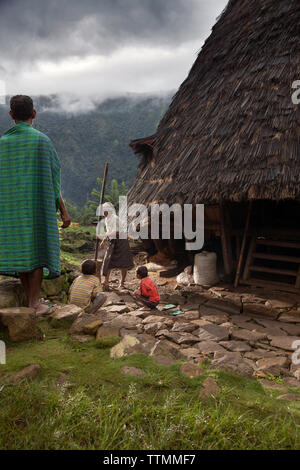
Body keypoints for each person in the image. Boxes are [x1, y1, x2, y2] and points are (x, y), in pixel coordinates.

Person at [0, 95, 71, 316]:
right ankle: (34, 303)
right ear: (34, 113)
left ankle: (30, 304)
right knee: (38, 249)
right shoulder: (42, 142)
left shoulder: (2, 145)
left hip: (10, 211)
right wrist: (63, 211)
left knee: (22, 250)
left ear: (11, 115)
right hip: (36, 208)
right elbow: (52, 180)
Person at [99, 202, 134, 290]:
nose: (102, 212)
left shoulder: (114, 218)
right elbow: (109, 232)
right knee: (108, 261)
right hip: (113, 241)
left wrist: (103, 236)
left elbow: (117, 232)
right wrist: (103, 241)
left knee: (124, 262)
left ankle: (122, 283)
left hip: (121, 241)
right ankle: (106, 280)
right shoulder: (107, 219)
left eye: (103, 210)